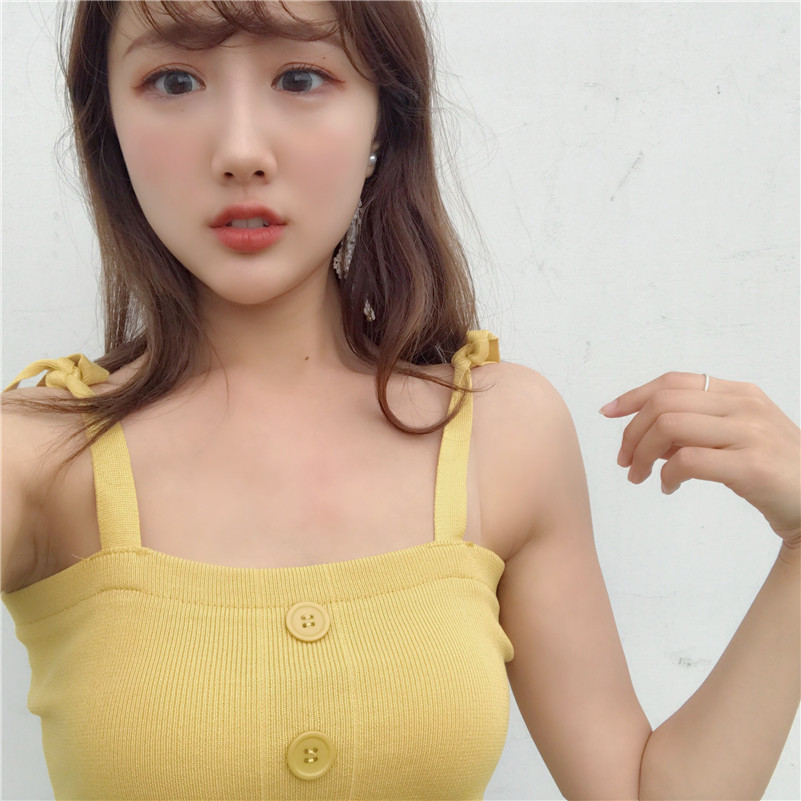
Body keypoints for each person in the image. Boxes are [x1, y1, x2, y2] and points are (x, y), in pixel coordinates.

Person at [1, 1, 798, 799]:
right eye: (174, 81)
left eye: (300, 78)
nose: (240, 151)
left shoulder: (501, 435)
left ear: (384, 118)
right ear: (108, 123)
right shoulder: (35, 455)